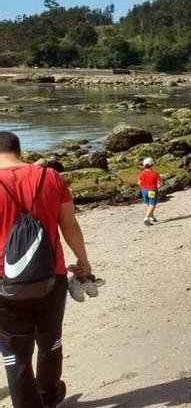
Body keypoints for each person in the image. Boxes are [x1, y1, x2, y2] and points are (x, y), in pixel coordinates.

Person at [0, 131, 92, 408]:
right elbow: (69, 225)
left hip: (4, 281)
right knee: (50, 340)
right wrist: (84, 261)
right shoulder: (50, 177)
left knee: (15, 355)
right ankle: (49, 395)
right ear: (20, 150)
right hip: (52, 275)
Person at [138, 157, 162, 225]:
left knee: (148, 204)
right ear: (152, 164)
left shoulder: (142, 173)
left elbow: (139, 183)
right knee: (152, 204)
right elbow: (159, 183)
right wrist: (158, 187)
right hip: (152, 190)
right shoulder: (155, 173)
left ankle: (151, 217)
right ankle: (146, 217)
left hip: (144, 190)